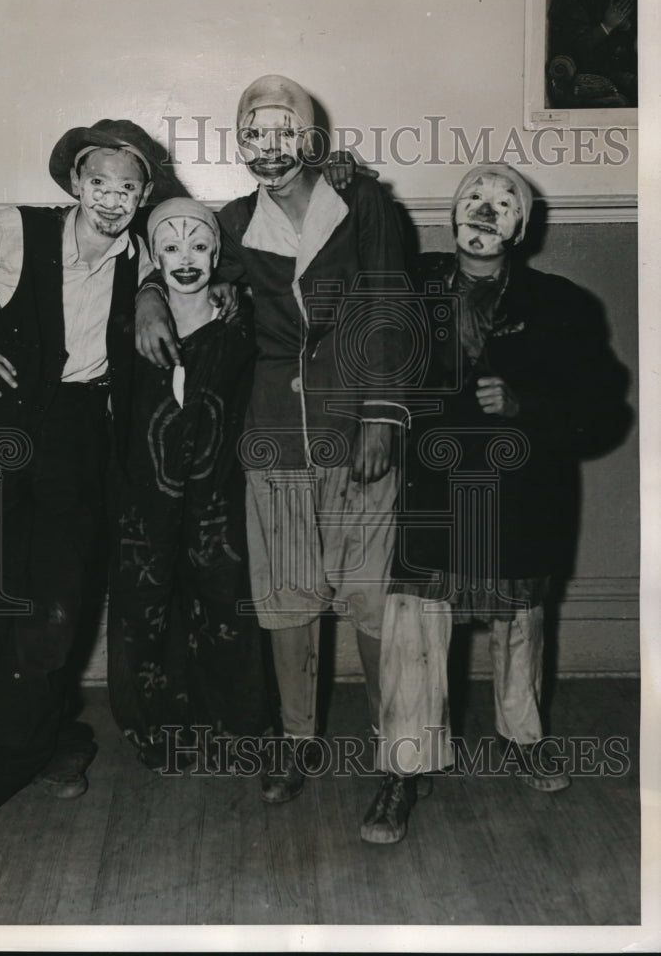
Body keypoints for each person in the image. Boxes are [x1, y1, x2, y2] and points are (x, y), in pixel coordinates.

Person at [135, 75, 410, 814]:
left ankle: (396, 757)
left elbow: (392, 301)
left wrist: (382, 416)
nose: (268, 148)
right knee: (288, 599)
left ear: (311, 141)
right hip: (273, 431)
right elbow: (162, 245)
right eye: (253, 134)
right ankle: (296, 740)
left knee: (371, 599)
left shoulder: (365, 205)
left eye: (283, 132)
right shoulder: (228, 222)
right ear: (240, 143)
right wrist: (149, 295)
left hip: (357, 424)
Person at [364, 163, 630, 844]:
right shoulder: (409, 286)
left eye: (503, 202)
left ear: (524, 225)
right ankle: (402, 769)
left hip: (522, 493)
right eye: (472, 198)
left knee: (520, 626)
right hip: (434, 487)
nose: (486, 210)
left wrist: (526, 406)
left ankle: (526, 737)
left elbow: (604, 411)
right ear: (450, 215)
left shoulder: (564, 305)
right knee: (415, 623)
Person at [0, 120, 159, 829]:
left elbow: (181, 274)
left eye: (129, 188)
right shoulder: (17, 229)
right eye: (99, 184)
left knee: (56, 603)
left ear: (143, 195)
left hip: (77, 435)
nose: (113, 200)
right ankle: (53, 740)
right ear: (76, 184)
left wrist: (147, 297)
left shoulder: (139, 255)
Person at [106, 198, 270, 770]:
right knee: (145, 603)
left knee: (224, 600)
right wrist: (147, 292)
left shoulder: (239, 322)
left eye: (199, 246)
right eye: (171, 247)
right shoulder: (126, 324)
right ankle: (155, 730)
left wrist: (237, 289)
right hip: (145, 496)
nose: (185, 258)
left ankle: (235, 728)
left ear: (217, 255)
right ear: (153, 256)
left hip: (217, 495)